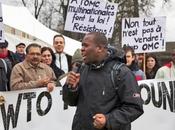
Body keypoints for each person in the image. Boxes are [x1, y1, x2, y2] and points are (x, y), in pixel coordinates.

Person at [63, 32, 143, 130]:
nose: (82, 49)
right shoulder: (82, 69)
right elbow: (69, 101)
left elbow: (134, 107)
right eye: (82, 45)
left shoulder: (121, 72)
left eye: (86, 45)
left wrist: (108, 120)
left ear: (99, 48)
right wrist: (72, 88)